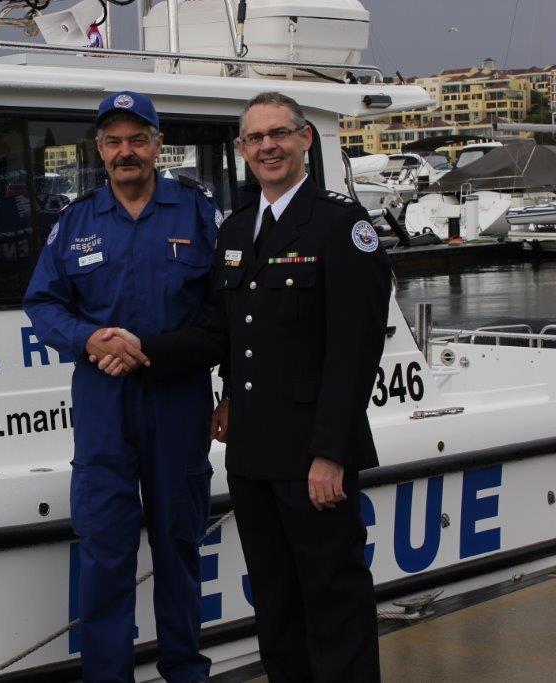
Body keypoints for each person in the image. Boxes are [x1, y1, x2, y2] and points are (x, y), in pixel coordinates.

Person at [97, 91, 390, 681]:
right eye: (255, 139)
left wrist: (331, 453)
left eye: (279, 134)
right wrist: (140, 348)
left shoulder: (341, 226)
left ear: (305, 139)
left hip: (313, 456)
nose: (268, 147)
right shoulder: (234, 231)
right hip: (253, 454)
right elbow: (220, 333)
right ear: (241, 150)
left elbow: (356, 352)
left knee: (334, 602)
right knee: (276, 605)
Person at [23, 91, 222, 682]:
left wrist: (231, 387)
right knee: (106, 552)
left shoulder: (199, 214)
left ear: (159, 146)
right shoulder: (76, 220)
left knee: (178, 546)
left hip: (178, 399)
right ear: (98, 150)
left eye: (138, 139)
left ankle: (184, 671)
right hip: (103, 405)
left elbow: (228, 308)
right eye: (113, 141)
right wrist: (89, 340)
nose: (125, 151)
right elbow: (42, 303)